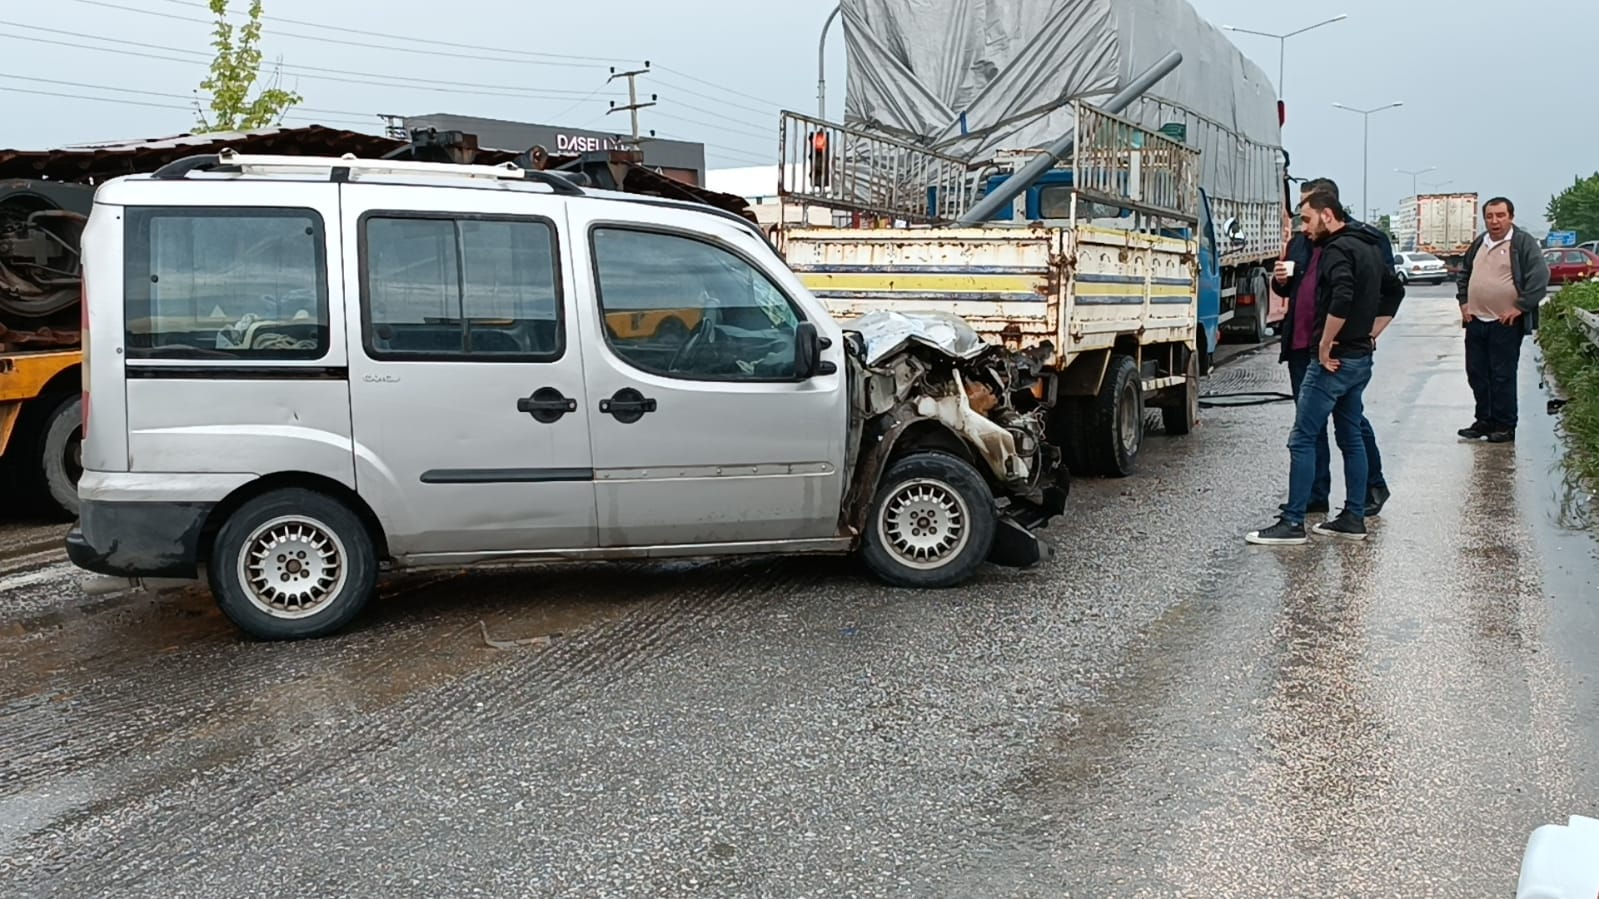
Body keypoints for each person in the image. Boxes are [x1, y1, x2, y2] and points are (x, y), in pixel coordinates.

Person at [1248, 190, 1393, 545]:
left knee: (1303, 438)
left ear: (1327, 214)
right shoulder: (1370, 245)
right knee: (1350, 436)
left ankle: (1293, 522)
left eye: (1308, 219)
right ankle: (1353, 517)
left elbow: (1342, 296)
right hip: (1359, 357)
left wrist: (1327, 344)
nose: (1304, 228)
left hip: (1333, 360)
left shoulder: (1337, 249)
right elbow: (1394, 291)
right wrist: (1372, 332)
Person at [1455, 197, 1549, 443]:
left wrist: (1520, 307)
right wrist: (1464, 303)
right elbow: (1464, 274)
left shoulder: (1522, 243)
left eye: (1500, 215)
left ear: (1511, 217)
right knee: (1476, 373)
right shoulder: (1480, 243)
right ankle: (1484, 420)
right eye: (1490, 216)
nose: (1495, 221)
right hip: (1476, 321)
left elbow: (1540, 276)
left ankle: (1505, 425)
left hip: (1504, 323)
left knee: (1502, 375)